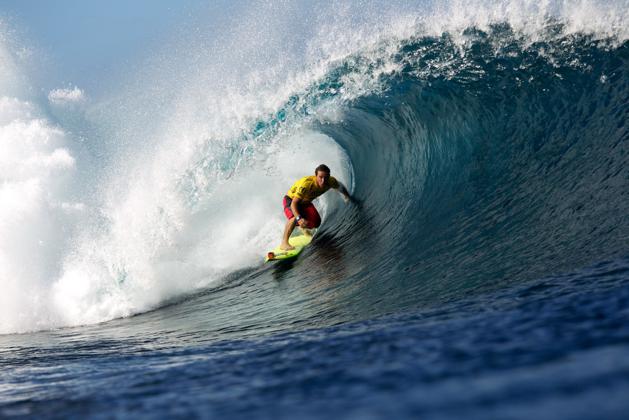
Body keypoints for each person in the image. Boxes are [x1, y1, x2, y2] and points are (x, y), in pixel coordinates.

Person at [280, 164, 351, 250]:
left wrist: (347, 196)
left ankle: (301, 227)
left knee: (316, 223)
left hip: (305, 203)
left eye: (326, 177)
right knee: (294, 218)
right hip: (291, 200)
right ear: (315, 176)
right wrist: (299, 218)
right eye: (320, 177)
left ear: (329, 176)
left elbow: (340, 186)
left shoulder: (331, 181)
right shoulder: (306, 184)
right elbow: (294, 204)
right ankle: (284, 243)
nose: (323, 180)